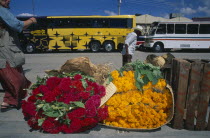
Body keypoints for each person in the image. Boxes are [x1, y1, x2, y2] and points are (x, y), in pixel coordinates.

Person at [0, 0, 37, 112]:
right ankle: (11, 99)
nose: (8, 0)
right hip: (6, 49)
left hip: (4, 49)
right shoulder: (2, 10)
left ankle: (9, 100)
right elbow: (17, 25)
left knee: (7, 74)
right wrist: (31, 20)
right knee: (13, 75)